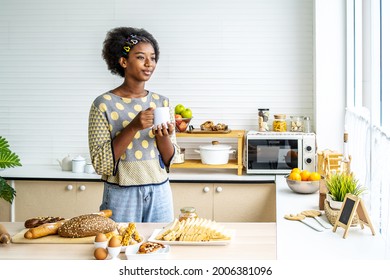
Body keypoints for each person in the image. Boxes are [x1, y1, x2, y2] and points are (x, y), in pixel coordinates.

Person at [88, 27, 178, 223]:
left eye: (153, 58)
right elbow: (101, 163)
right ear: (123, 61)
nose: (149, 64)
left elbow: (170, 158)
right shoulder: (103, 104)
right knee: (120, 249)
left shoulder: (161, 102)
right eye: (140, 57)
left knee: (158, 245)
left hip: (160, 190)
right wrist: (133, 127)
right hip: (122, 194)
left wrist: (162, 135)